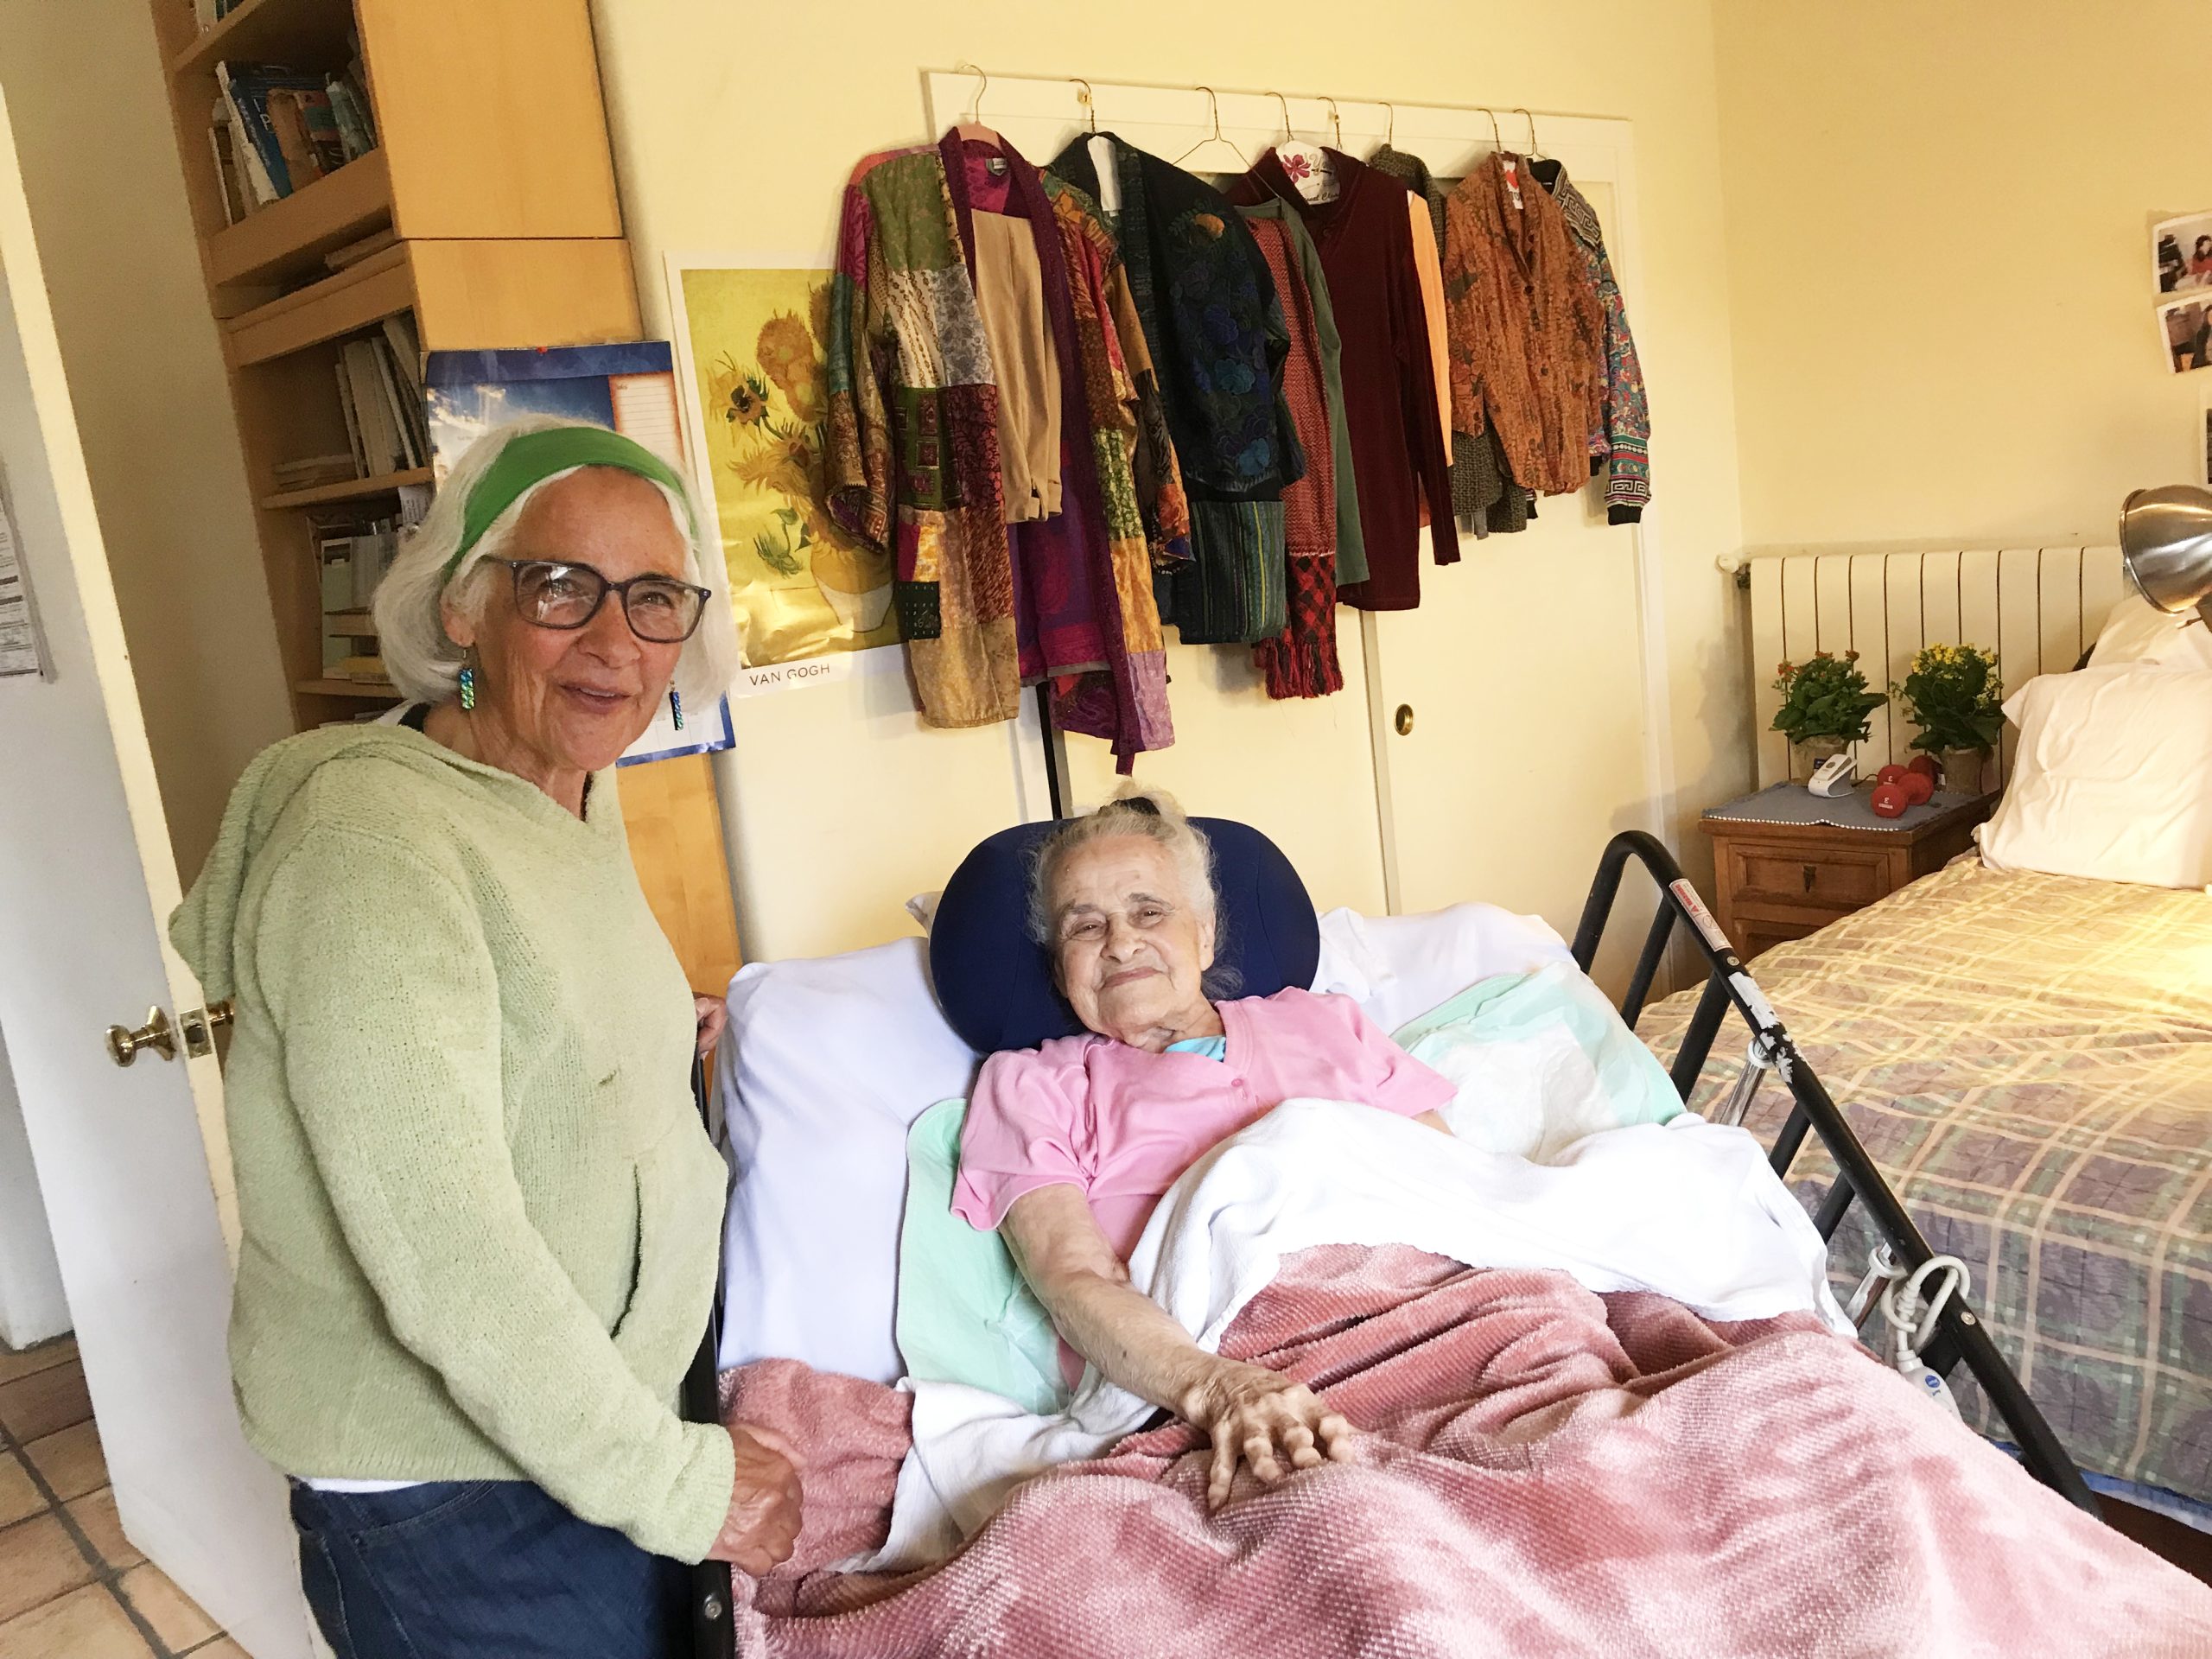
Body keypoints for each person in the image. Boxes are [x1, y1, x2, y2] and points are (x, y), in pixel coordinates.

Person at [170, 416, 796, 1658]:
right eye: (564, 587)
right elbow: (447, 1252)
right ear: (463, 607)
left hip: (574, 1427)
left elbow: (526, 1024)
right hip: (460, 1493)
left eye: (656, 598)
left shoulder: (562, 790)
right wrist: (682, 1485)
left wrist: (659, 1046)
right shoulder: (374, 845)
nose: (616, 643)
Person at [950, 791, 1457, 1510]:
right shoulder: (1035, 1084)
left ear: (1207, 933)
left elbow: (1464, 1193)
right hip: (1225, 1377)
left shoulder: (1325, 1022)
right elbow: (1071, 1275)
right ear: (1060, 965)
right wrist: (1222, 1390)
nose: (1120, 942)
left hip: (1441, 1320)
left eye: (1148, 911)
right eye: (1085, 926)